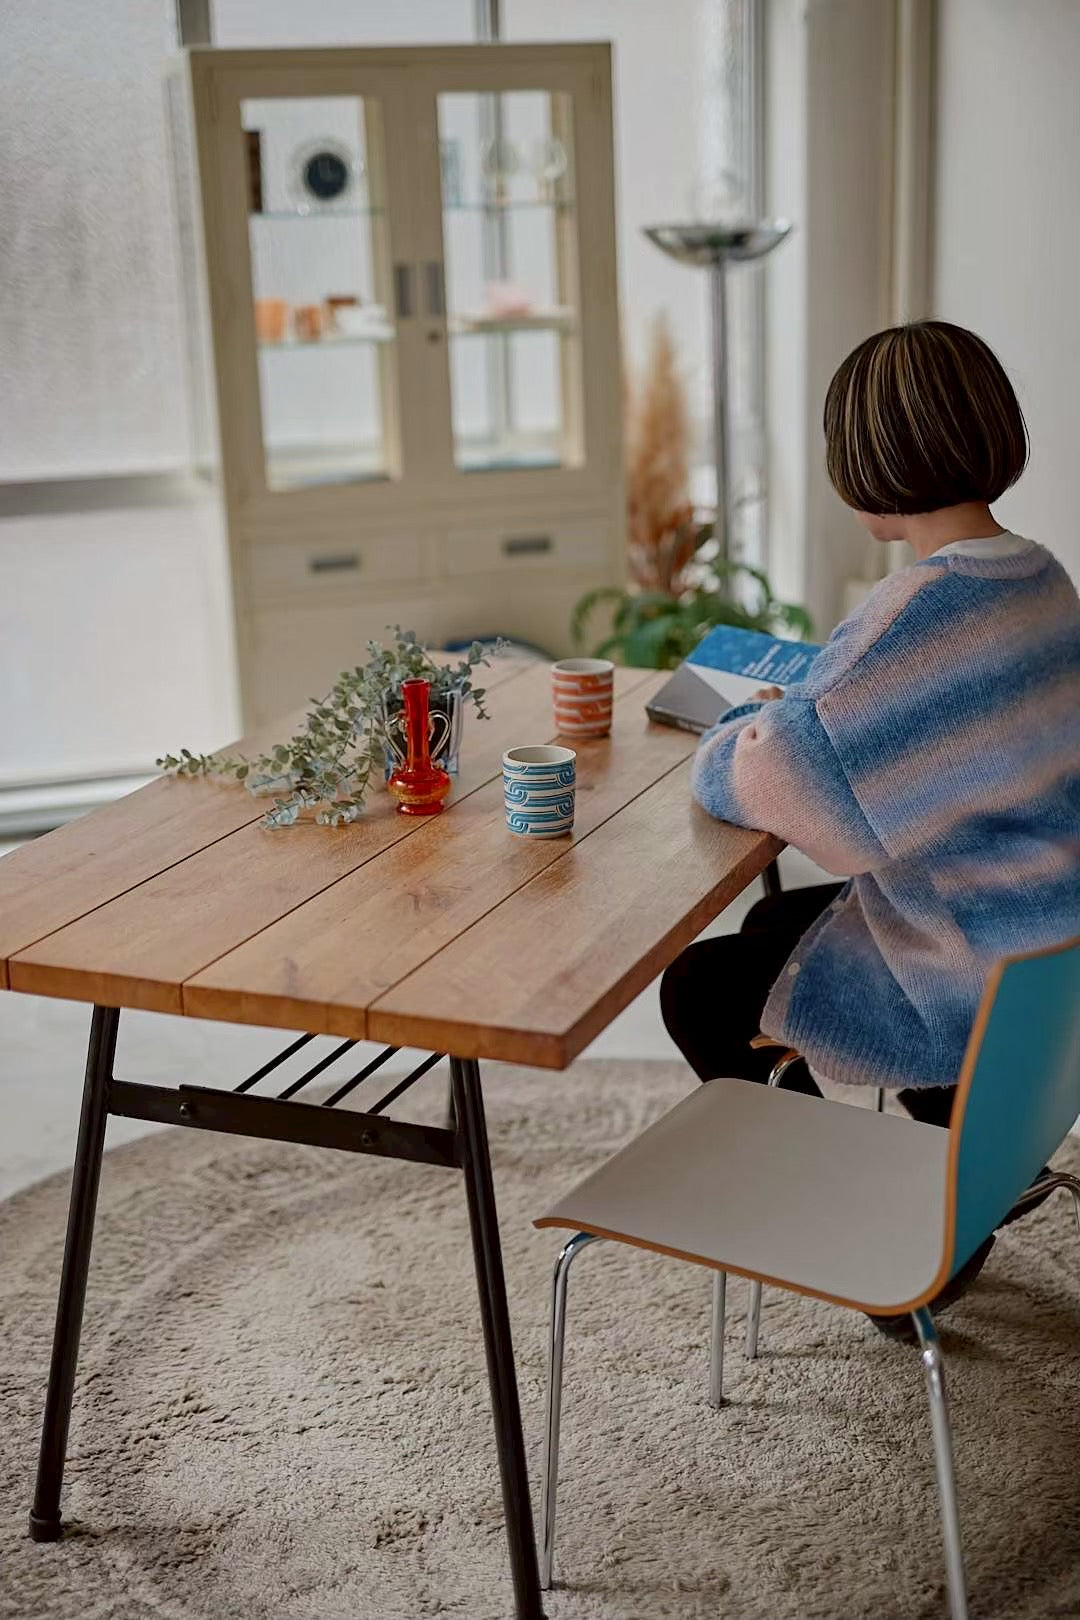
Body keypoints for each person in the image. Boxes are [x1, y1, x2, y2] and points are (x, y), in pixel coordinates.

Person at [660, 320, 1080, 1334]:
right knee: (772, 938)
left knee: (698, 988)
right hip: (1043, 946)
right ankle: (953, 1142)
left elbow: (800, 792)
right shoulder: (1038, 578)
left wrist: (735, 736)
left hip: (963, 964)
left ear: (869, 465)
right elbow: (912, 732)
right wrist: (811, 708)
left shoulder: (915, 612)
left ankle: (894, 1238)